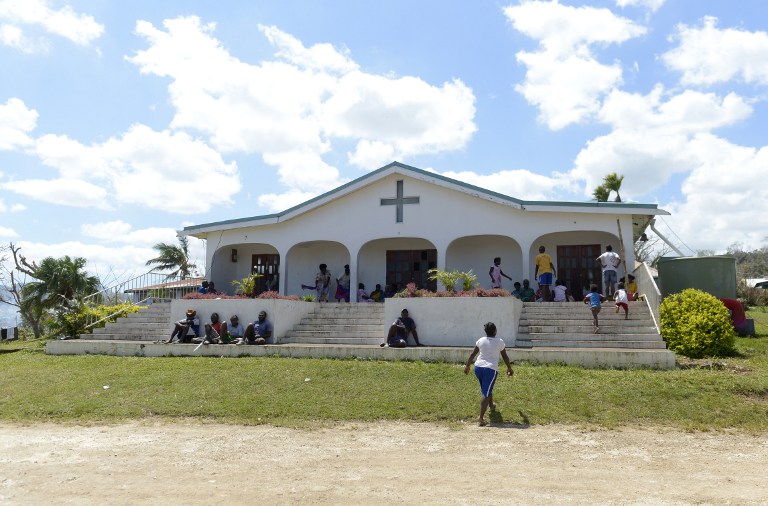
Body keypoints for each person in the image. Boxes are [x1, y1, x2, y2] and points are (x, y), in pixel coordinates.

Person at [463, 322, 514, 427]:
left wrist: (467, 366)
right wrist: (509, 368)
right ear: (495, 331)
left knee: (486, 388)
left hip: (478, 368)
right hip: (490, 369)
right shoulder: (500, 342)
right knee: (486, 393)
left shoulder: (481, 340)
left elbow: (473, 354)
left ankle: (491, 406)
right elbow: (505, 356)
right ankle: (481, 418)